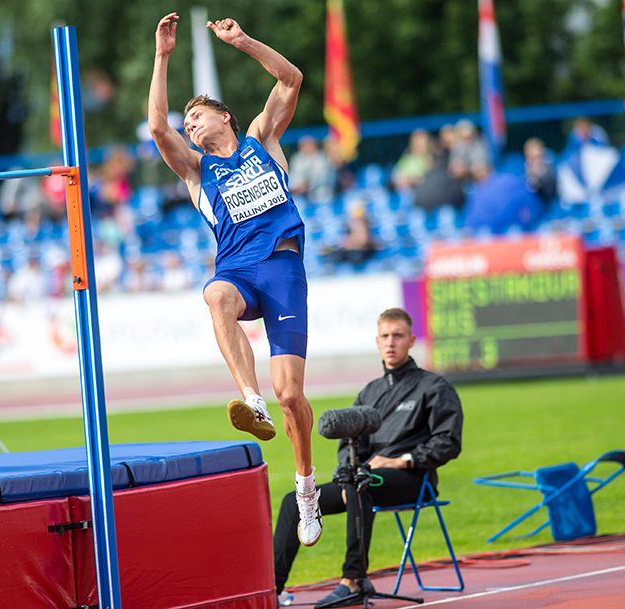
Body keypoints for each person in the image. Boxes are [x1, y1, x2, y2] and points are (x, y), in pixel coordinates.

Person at [148, 13, 324, 546]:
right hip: (237, 270)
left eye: (197, 116)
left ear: (224, 116)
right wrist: (162, 56)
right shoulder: (196, 171)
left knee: (292, 395)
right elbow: (157, 127)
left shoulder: (261, 139)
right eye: (188, 123)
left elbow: (291, 79)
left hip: (283, 268)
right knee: (215, 294)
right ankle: (251, 400)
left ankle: (306, 485)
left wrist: (243, 41)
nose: (190, 126)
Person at [273, 308, 463, 605]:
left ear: (412, 341)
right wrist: (348, 472)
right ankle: (271, 589)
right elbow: (349, 445)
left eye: (398, 336)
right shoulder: (370, 392)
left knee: (361, 483)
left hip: (413, 478)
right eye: (385, 336)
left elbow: (449, 441)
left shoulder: (434, 387)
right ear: (377, 342)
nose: (391, 342)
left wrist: (402, 460)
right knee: (293, 501)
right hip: (363, 479)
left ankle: (353, 580)